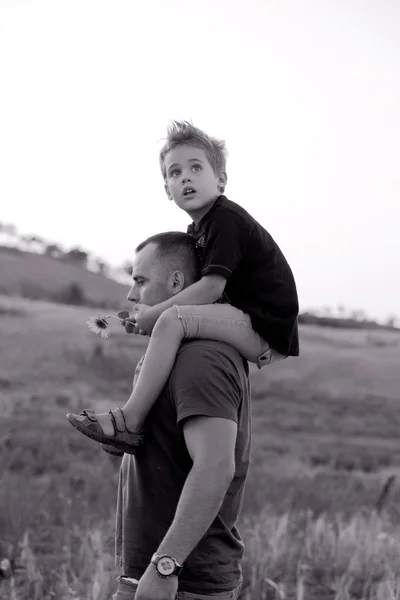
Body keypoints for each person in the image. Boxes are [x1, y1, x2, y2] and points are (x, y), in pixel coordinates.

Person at [67, 120, 299, 455]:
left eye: (195, 168)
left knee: (174, 320)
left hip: (266, 328)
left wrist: (158, 315)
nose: (185, 177)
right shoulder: (198, 230)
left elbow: (210, 288)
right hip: (246, 319)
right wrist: (147, 318)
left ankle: (129, 422)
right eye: (175, 173)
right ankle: (138, 423)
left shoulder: (225, 219)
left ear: (220, 180)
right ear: (167, 190)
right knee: (171, 321)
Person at [114, 232, 250, 599]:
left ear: (176, 283)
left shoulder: (200, 358)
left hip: (181, 583)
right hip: (157, 576)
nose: (131, 295)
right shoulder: (172, 357)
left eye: (140, 281)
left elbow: (215, 466)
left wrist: (164, 566)